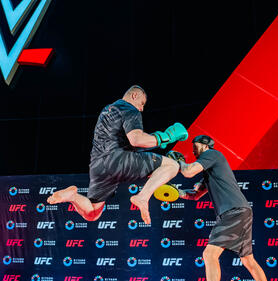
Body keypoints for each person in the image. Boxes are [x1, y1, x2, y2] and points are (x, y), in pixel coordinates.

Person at [47, 85, 188, 224]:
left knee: (92, 213)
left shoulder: (107, 110)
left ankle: (72, 196)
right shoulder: (131, 110)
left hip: (98, 166)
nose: (142, 108)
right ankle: (142, 197)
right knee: (172, 166)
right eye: (142, 103)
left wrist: (157, 140)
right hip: (119, 161)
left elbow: (123, 143)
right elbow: (136, 140)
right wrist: (167, 137)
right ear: (134, 96)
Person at [177, 135, 278, 281]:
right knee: (248, 260)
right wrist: (176, 192)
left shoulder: (212, 155)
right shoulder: (209, 169)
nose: (193, 150)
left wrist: (177, 163)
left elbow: (188, 171)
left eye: (195, 146)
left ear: (204, 145)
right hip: (241, 211)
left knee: (209, 254)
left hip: (234, 212)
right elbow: (194, 195)